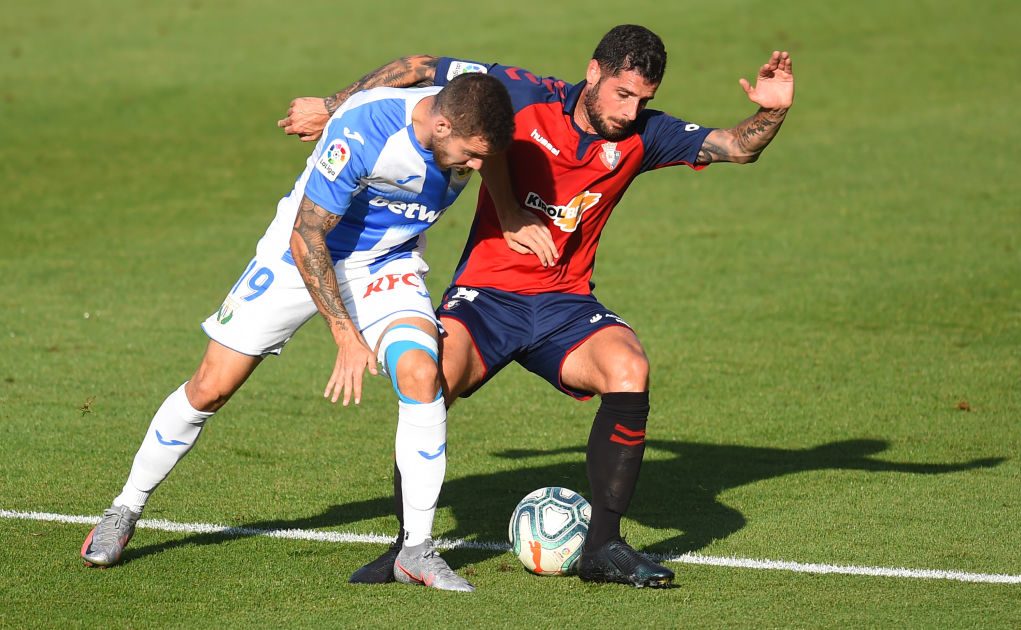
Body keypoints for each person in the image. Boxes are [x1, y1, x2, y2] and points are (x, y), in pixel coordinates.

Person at [278, 24, 794, 588]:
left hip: (565, 306)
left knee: (629, 368)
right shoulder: (524, 94)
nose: (630, 110)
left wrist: (772, 112)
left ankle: (604, 549)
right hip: (486, 299)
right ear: (593, 72)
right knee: (428, 376)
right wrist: (333, 106)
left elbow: (737, 147)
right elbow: (423, 66)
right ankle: (407, 548)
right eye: (623, 94)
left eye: (643, 99)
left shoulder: (645, 135)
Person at [81, 73, 515, 592]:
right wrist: (345, 332)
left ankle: (416, 549)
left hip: (385, 263)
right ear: (441, 124)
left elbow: (417, 62)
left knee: (421, 375)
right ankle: (125, 508)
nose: (475, 167)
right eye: (469, 154)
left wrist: (329, 101)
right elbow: (309, 235)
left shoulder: (467, 96)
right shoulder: (365, 135)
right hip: (300, 256)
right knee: (210, 387)